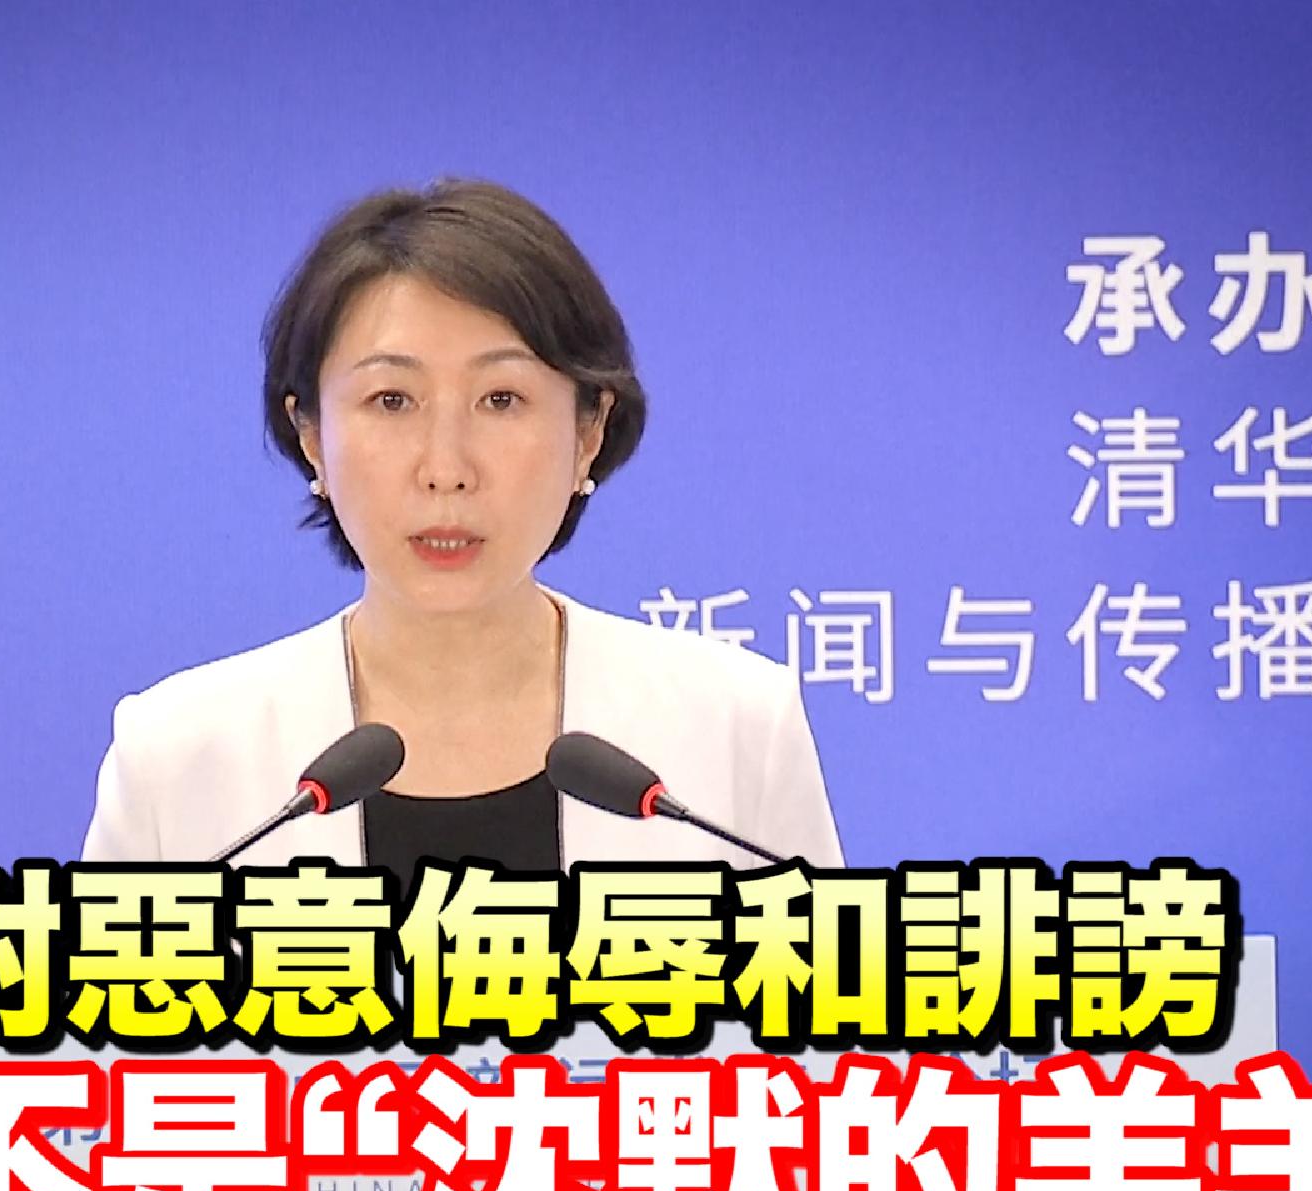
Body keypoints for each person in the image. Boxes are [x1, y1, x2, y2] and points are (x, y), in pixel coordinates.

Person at [80, 179, 841, 887]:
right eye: (391, 400)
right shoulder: (177, 762)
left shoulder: (738, 731)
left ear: (589, 430)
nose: (446, 469)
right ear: (311, 435)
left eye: (501, 399)